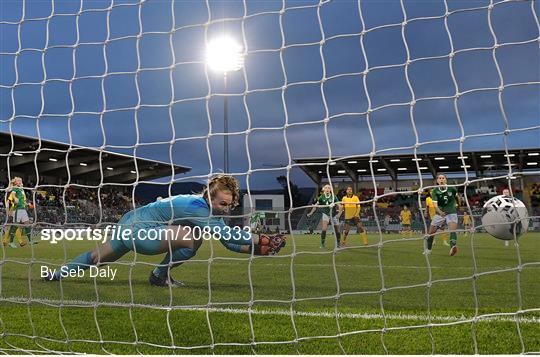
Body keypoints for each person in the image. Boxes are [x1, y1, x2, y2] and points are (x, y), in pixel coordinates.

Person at [44, 175, 286, 287]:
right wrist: (263, 239)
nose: (226, 208)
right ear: (208, 197)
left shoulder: (197, 205)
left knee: (96, 257)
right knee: (193, 240)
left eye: (230, 204)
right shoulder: (199, 209)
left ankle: (56, 275)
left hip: (129, 223)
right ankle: (159, 276)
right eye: (222, 203)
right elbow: (229, 238)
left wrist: (261, 249)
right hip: (143, 231)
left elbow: (231, 244)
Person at [424, 173, 460, 256]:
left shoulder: (452, 188)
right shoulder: (434, 191)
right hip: (440, 213)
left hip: (451, 212)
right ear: (437, 181)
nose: (441, 179)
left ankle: (453, 247)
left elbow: (457, 198)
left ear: (445, 180)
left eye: (443, 178)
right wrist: (440, 212)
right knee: (431, 233)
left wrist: (458, 206)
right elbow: (435, 205)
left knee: (452, 230)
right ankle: (428, 250)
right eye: (439, 178)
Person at [307, 184, 343, 249]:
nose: (327, 189)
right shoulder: (321, 197)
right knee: (324, 229)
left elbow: (340, 206)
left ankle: (338, 243)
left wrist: (339, 215)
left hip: (334, 215)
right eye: (326, 188)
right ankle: (322, 244)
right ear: (324, 190)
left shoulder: (334, 197)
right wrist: (311, 213)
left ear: (330, 190)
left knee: (337, 231)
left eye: (328, 188)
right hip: (326, 214)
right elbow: (315, 206)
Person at [5, 177, 36, 247]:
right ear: (16, 182)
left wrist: (27, 204)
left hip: (23, 209)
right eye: (19, 181)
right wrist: (15, 198)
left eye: (21, 180)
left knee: (27, 224)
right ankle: (11, 242)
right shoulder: (15, 188)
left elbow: (22, 200)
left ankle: (30, 241)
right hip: (17, 209)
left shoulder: (21, 189)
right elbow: (12, 193)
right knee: (16, 225)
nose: (20, 182)